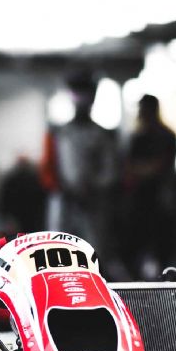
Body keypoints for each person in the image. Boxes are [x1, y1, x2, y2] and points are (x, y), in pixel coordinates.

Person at [40, 69, 120, 271]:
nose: (82, 99)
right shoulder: (58, 133)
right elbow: (48, 169)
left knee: (94, 254)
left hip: (94, 204)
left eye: (86, 93)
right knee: (58, 252)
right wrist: (63, 188)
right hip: (63, 202)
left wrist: (93, 189)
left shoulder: (103, 135)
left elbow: (111, 171)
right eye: (77, 93)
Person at [120, 95, 176, 278]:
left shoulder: (166, 137)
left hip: (160, 200)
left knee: (162, 247)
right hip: (139, 201)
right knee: (135, 246)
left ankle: (163, 280)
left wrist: (142, 170)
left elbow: (161, 166)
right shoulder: (137, 138)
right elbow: (128, 167)